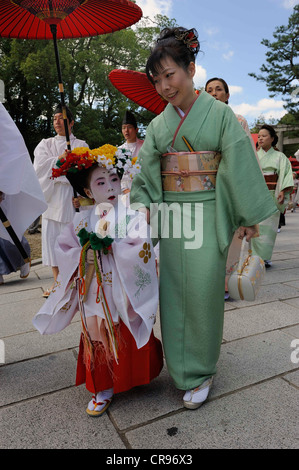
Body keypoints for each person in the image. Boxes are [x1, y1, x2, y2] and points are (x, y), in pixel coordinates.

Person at [130, 26, 277, 410]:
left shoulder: (220, 115)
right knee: (173, 293)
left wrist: (246, 215)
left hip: (209, 210)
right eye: (157, 79)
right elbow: (148, 170)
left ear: (191, 68)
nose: (164, 86)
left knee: (203, 292)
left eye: (170, 74)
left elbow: (238, 164)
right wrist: (144, 205)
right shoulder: (160, 125)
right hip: (171, 214)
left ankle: (200, 370)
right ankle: (180, 367)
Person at [33, 145, 163, 416]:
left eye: (114, 179)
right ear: (89, 192)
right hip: (95, 289)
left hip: (124, 289)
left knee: (128, 323)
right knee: (97, 330)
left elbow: (142, 245)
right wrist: (85, 251)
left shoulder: (132, 217)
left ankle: (136, 376)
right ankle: (103, 387)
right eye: (101, 182)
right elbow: (65, 248)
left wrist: (113, 246)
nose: (111, 186)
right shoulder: (82, 221)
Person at [205, 77, 261, 299]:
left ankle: (227, 282)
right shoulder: (200, 122)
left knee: (232, 235)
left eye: (219, 90)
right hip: (208, 185)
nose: (214, 93)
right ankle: (209, 279)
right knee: (209, 235)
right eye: (209, 90)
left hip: (232, 183)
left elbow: (248, 156)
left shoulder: (239, 121)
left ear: (227, 95)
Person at [33, 104, 88, 297]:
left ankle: (75, 280)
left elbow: (85, 173)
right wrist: (59, 159)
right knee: (51, 241)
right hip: (51, 197)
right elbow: (39, 167)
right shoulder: (45, 144)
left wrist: (82, 196)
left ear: (71, 123)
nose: (57, 121)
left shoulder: (81, 145)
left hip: (70, 198)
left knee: (73, 240)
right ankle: (57, 283)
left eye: (61, 118)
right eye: (54, 118)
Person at [0, 103, 47, 285]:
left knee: (9, 225)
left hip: (4, 176)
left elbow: (11, 147)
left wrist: (3, 184)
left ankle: (22, 256)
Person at [251, 125, 293, 265]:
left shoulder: (280, 156)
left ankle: (265, 257)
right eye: (259, 135)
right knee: (256, 226)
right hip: (256, 194)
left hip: (272, 195)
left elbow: (285, 175)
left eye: (264, 135)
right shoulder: (253, 154)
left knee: (268, 228)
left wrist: (282, 190)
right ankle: (254, 257)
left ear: (273, 138)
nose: (260, 138)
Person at [118, 110, 144, 193]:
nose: (126, 130)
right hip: (125, 191)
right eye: (124, 128)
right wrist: (124, 189)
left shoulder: (145, 146)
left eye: (129, 127)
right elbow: (118, 174)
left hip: (143, 189)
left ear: (136, 130)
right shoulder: (119, 150)